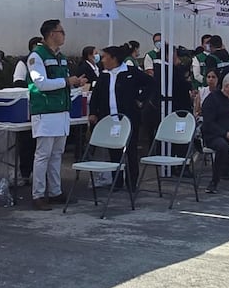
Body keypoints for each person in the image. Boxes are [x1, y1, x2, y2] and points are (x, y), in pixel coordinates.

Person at [27, 20, 86, 211]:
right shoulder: (36, 56)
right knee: (43, 154)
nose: (64, 35)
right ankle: (38, 194)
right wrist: (66, 81)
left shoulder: (61, 57)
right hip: (45, 111)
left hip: (61, 111)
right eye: (62, 31)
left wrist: (73, 83)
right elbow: (41, 83)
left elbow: (61, 82)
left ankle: (55, 191)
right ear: (52, 34)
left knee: (57, 154)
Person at [88, 44, 154, 191]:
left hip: (129, 118)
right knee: (114, 150)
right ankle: (116, 180)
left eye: (105, 57)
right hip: (110, 118)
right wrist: (93, 112)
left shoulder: (131, 72)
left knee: (130, 150)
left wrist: (140, 99)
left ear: (114, 58)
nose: (102, 60)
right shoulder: (104, 75)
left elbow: (150, 83)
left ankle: (132, 182)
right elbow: (96, 95)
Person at [12, 36, 42, 186]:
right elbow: (18, 83)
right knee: (26, 142)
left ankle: (40, 175)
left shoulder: (49, 60)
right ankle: (25, 173)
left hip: (46, 109)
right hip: (28, 108)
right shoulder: (23, 62)